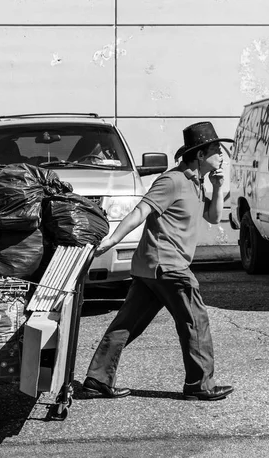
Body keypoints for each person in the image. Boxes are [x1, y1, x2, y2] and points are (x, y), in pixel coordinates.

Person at [83, 121, 234, 401]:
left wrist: (219, 187)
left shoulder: (197, 181)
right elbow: (140, 211)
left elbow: (213, 218)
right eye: (215, 148)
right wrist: (113, 240)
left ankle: (97, 380)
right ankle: (200, 385)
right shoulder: (172, 180)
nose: (221, 154)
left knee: (127, 324)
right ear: (200, 154)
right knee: (195, 321)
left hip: (151, 268)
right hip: (168, 265)